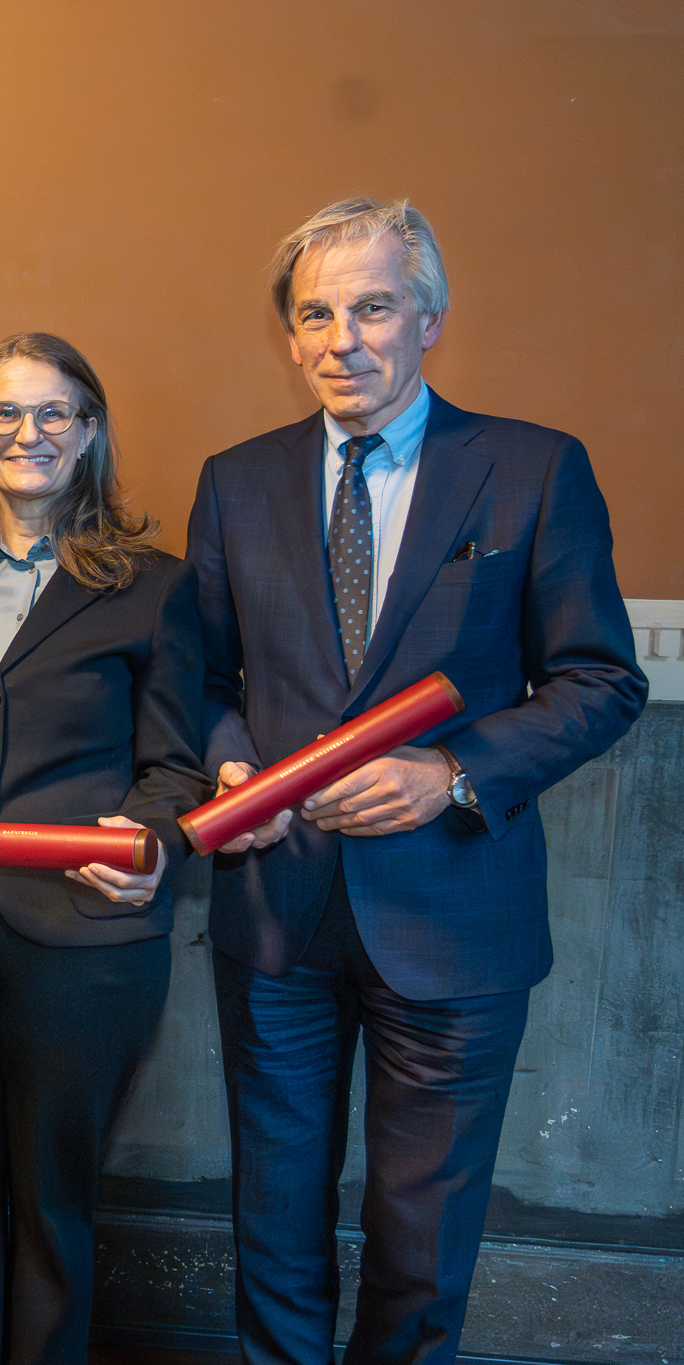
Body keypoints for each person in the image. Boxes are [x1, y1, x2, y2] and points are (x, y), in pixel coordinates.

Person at [186, 198, 646, 1365]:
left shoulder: (532, 469)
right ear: (289, 340)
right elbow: (193, 678)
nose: (342, 338)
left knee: (418, 1239)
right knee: (271, 1223)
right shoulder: (233, 482)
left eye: (372, 306)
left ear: (427, 318)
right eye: (314, 314)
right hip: (275, 915)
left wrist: (449, 772)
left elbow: (598, 680)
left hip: (451, 921)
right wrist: (229, 760)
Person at [0, 332, 210, 1365]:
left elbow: (176, 769)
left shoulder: (155, 587)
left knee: (50, 1191)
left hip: (86, 934)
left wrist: (149, 840)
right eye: (3, 415)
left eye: (52, 412)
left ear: (88, 431)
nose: (27, 433)